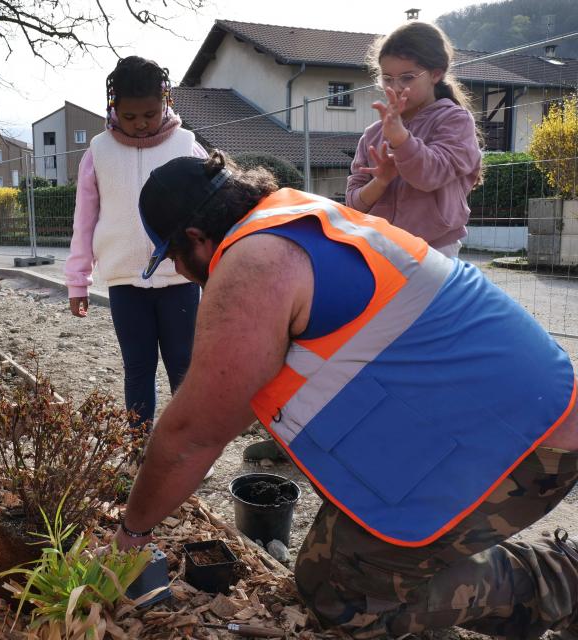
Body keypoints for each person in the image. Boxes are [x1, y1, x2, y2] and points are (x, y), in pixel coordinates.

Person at [113, 152, 578, 639]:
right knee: (325, 567)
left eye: (174, 261)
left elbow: (192, 435)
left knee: (344, 598)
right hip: (501, 411)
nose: (184, 276)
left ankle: (560, 582)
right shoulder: (294, 218)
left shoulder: (254, 262)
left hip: (526, 443)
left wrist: (134, 533)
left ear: (195, 240)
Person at [64, 55, 207, 429]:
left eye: (150, 114)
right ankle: (138, 448)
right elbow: (84, 220)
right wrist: (77, 281)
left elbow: (212, 212)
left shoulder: (187, 147)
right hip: (125, 281)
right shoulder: (98, 152)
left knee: (184, 366)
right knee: (137, 367)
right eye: (130, 117)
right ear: (113, 108)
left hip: (181, 280)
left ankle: (185, 448)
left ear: (166, 103)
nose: (141, 124)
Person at [346, 21, 482, 258]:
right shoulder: (373, 134)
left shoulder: (455, 121)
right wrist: (380, 181)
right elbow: (354, 205)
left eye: (407, 78)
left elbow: (431, 176)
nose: (396, 87)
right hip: (380, 249)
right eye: (387, 78)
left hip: (435, 249)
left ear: (436, 74)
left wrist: (401, 140)